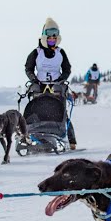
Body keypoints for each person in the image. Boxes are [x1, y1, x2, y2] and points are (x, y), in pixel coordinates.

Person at [24, 17, 77, 150]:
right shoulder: (36, 53)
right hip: (39, 86)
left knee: (62, 113)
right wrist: (33, 79)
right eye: (49, 39)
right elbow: (28, 68)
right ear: (44, 38)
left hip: (57, 87)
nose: (52, 41)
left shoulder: (61, 52)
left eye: (54, 39)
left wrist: (62, 79)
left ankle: (71, 141)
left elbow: (67, 69)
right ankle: (35, 137)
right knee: (38, 112)